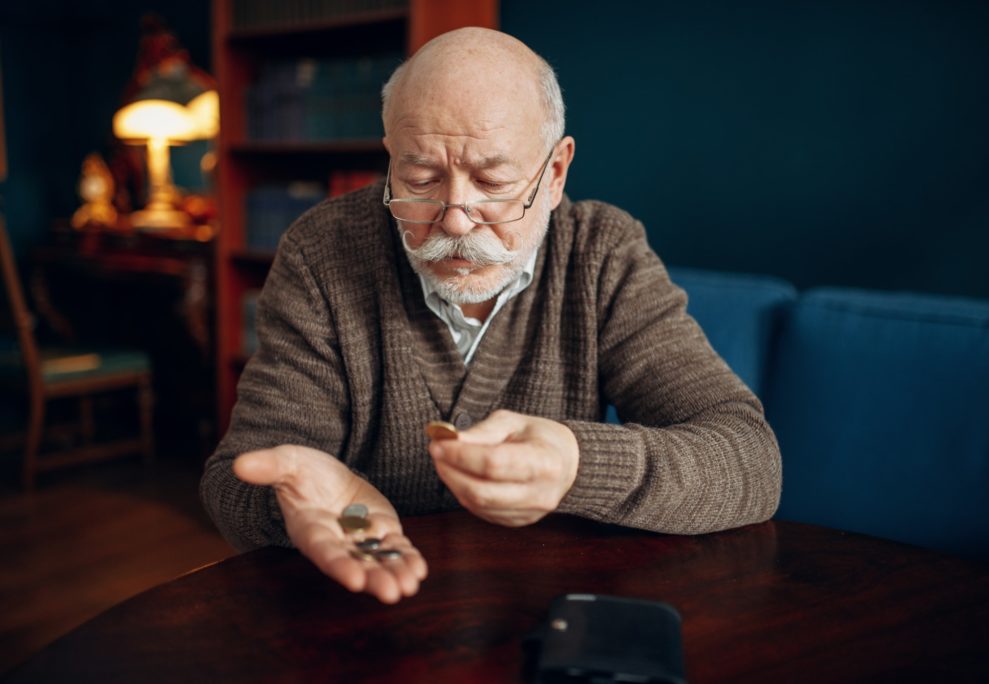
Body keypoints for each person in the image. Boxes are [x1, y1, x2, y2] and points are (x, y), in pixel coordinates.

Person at [200, 28, 782, 604]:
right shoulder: (322, 253)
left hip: (544, 606)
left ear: (555, 173)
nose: (454, 220)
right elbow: (235, 479)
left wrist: (576, 465)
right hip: (366, 609)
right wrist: (296, 502)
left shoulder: (603, 254)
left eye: (493, 182)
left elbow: (750, 461)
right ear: (390, 159)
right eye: (421, 178)